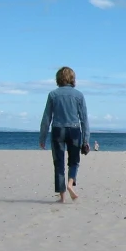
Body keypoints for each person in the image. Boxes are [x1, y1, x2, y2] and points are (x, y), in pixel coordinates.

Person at [39, 66, 90, 203]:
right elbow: (84, 119)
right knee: (74, 161)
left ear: (58, 79)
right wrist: (86, 140)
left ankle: (62, 197)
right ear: (72, 79)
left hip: (58, 130)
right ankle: (70, 183)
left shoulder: (53, 95)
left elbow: (46, 118)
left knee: (58, 163)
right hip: (74, 130)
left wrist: (42, 137)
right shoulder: (79, 95)